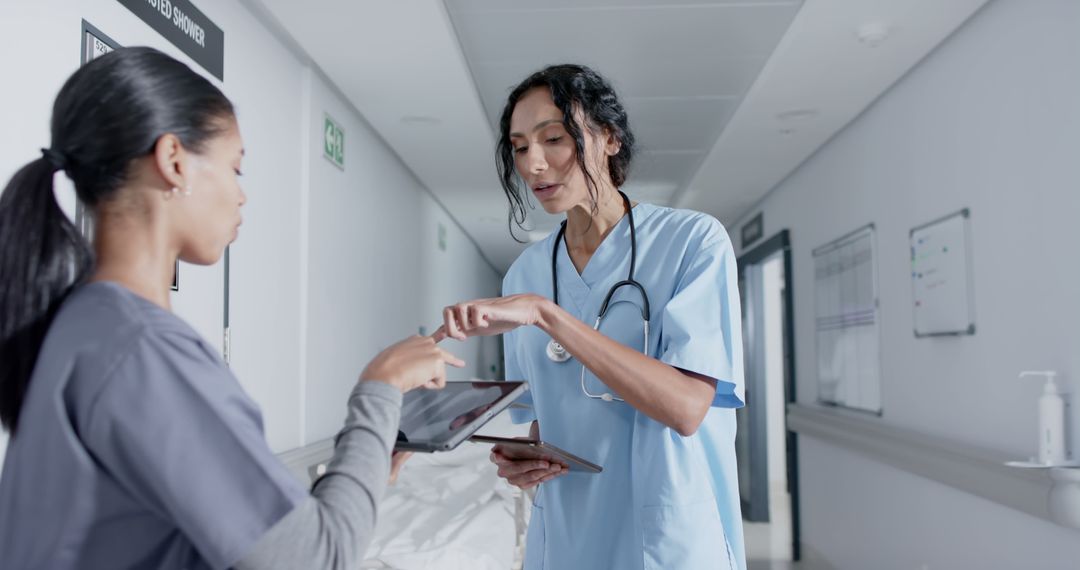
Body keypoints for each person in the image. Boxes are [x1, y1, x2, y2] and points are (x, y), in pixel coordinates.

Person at [0, 47, 463, 570]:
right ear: (174, 160)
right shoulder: (141, 349)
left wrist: (363, 469)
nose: (241, 196)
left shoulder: (84, 327)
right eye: (235, 168)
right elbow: (317, 558)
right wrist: (380, 387)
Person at [437, 64, 746, 569]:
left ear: (609, 139)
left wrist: (546, 315)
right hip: (567, 531)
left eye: (553, 138)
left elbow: (688, 408)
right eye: (518, 147)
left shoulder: (693, 242)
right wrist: (526, 461)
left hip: (663, 534)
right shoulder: (524, 275)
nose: (533, 163)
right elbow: (548, 419)